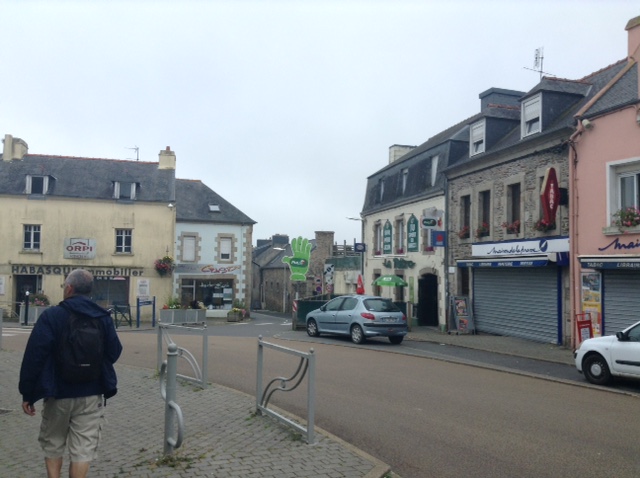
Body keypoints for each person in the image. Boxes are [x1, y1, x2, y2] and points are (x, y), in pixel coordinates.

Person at [19, 269, 123, 478]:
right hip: (91, 393)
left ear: (69, 288)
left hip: (57, 392)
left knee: (53, 444)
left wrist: (27, 393)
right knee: (83, 449)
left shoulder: (52, 316)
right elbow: (114, 351)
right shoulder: (102, 317)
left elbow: (35, 356)